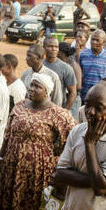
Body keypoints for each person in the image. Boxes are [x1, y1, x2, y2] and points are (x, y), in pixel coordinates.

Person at [0, 73, 76, 210]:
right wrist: (1, 157)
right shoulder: (20, 106)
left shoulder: (58, 114)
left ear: (47, 92)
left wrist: (57, 155)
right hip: (12, 166)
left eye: (37, 86)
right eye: (32, 85)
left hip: (37, 172)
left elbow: (73, 138)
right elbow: (8, 133)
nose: (32, 89)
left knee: (33, 201)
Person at [53, 80, 106, 210]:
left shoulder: (86, 137)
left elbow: (99, 189)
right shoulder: (78, 131)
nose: (90, 112)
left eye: (99, 107)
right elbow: (59, 174)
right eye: (87, 105)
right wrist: (97, 182)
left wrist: (89, 143)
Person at [43, 37, 77, 110]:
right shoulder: (40, 65)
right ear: (44, 48)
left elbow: (73, 92)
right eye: (50, 46)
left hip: (57, 109)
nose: (54, 49)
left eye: (56, 47)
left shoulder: (66, 68)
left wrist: (65, 111)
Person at [58, 42, 82, 121]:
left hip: (73, 99)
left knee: (71, 122)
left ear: (61, 52)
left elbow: (78, 87)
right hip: (67, 98)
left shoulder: (73, 65)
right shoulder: (64, 64)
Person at [80, 29, 106, 102]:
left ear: (104, 42)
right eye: (92, 39)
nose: (94, 42)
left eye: (97, 40)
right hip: (85, 96)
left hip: (101, 97)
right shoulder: (83, 54)